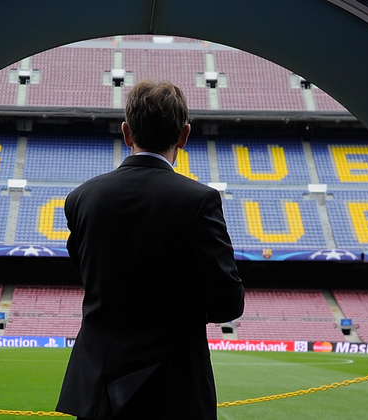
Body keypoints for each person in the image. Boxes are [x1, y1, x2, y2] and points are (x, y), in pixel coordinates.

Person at [56, 80, 245, 420]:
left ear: (127, 132)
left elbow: (88, 275)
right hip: (175, 387)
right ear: (184, 135)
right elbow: (227, 302)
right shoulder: (199, 200)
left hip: (97, 388)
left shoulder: (81, 198)